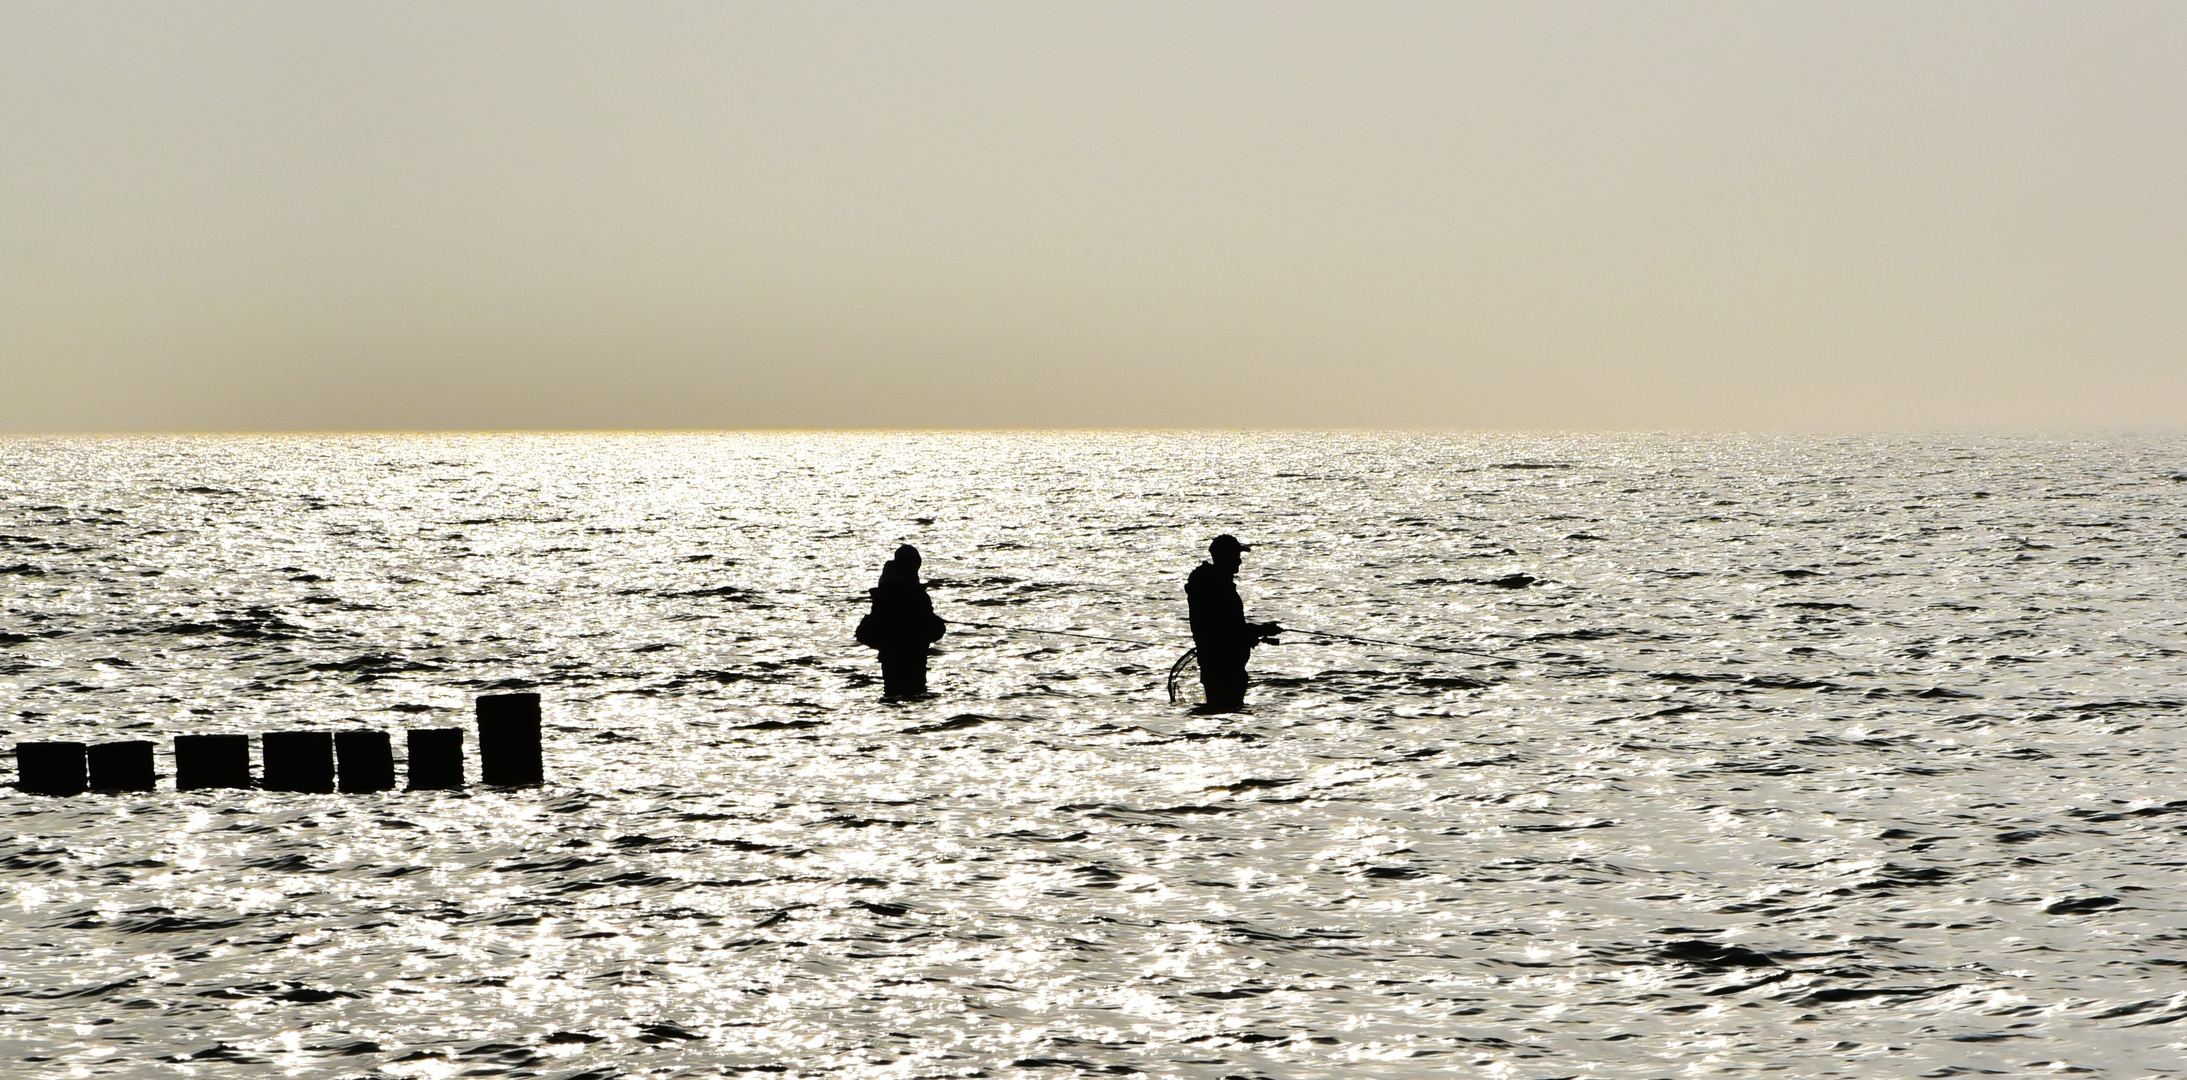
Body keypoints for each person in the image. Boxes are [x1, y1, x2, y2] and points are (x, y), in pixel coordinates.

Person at [1185, 534, 1280, 713]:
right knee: (1228, 710)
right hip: (1225, 668)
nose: (1239, 561)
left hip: (1216, 665)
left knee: (1219, 710)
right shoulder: (1217, 589)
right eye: (1236, 556)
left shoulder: (1212, 585)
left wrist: (1257, 633)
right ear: (1224, 557)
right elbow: (1228, 630)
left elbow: (1228, 628)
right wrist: (1262, 630)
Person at [857, 544, 946, 698]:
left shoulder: (897, 593)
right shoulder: (894, 594)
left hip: (908, 659)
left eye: (915, 564)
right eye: (910, 563)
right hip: (902, 659)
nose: (913, 568)